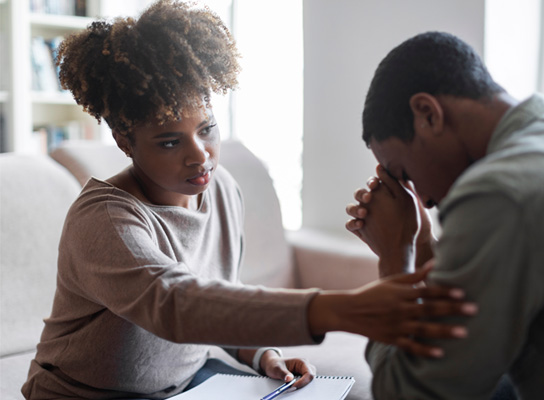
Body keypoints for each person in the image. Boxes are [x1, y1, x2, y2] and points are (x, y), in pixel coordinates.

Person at [21, 4, 478, 399]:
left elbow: (221, 302)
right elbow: (176, 303)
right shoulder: (105, 218)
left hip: (187, 382)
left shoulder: (220, 190)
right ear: (125, 142)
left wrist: (262, 354)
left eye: (207, 129)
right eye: (168, 142)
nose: (199, 155)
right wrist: (339, 308)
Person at [346, 30, 544, 399]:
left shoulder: (500, 193)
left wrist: (394, 258)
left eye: (405, 175)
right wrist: (421, 245)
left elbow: (410, 394)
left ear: (427, 113)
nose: (424, 199)